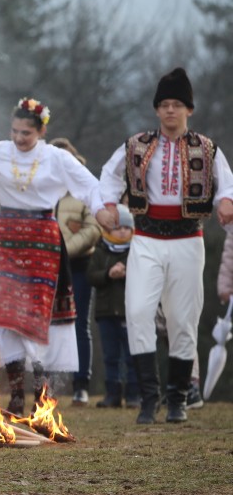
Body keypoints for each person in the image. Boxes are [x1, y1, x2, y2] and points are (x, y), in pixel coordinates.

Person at [94, 68, 233, 424]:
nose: (170, 110)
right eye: (165, 104)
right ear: (157, 110)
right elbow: (108, 176)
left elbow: (227, 184)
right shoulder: (136, 145)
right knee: (138, 310)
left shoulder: (207, 148)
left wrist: (226, 201)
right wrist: (105, 206)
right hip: (147, 240)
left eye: (177, 104)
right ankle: (148, 398)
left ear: (189, 110)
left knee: (182, 319)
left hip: (188, 239)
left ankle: (177, 400)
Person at [0, 97, 100, 417]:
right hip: (7, 236)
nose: (19, 138)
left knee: (40, 315)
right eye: (15, 131)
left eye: (26, 133)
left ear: (41, 131)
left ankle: (43, 397)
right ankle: (17, 396)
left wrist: (105, 210)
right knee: (6, 314)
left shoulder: (57, 158)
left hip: (43, 238)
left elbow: (90, 186)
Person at [49, 138, 101, 406]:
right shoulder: (41, 187)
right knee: (45, 326)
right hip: (45, 268)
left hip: (77, 266)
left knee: (78, 324)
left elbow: (93, 228)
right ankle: (47, 385)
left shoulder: (85, 188)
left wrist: (64, 250)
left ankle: (81, 385)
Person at [87, 204, 139, 408]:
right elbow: (91, 275)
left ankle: (134, 394)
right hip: (106, 312)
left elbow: (146, 276)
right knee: (110, 356)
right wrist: (108, 273)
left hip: (129, 312)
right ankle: (112, 394)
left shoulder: (137, 250)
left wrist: (128, 273)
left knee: (131, 355)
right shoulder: (100, 250)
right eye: (118, 227)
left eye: (127, 227)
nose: (123, 231)